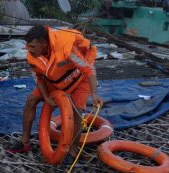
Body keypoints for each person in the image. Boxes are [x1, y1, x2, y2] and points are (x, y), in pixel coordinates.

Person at [7, 25, 103, 162]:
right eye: (28, 46)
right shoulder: (33, 56)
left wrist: (94, 93)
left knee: (76, 112)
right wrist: (46, 97)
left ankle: (73, 150)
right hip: (54, 80)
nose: (29, 50)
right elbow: (39, 79)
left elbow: (88, 70)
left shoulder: (68, 50)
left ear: (44, 44)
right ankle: (25, 143)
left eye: (33, 46)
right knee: (31, 100)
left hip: (79, 81)